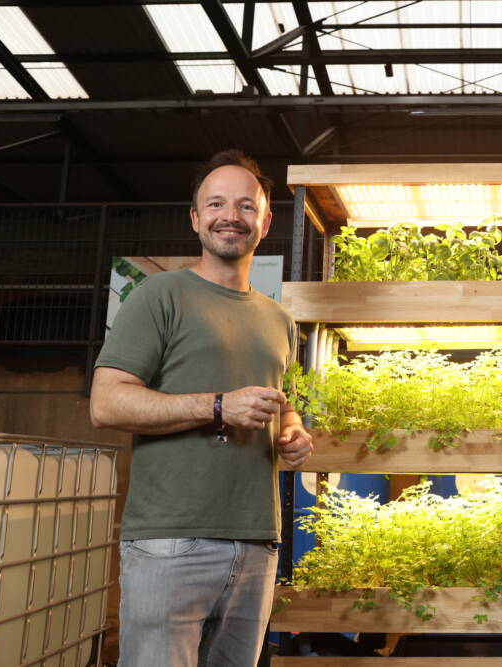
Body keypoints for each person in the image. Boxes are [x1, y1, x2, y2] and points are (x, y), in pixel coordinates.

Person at [90, 149, 313, 666]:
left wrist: (293, 433)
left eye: (245, 205)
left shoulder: (280, 320)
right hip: (171, 541)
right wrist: (218, 407)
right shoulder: (159, 296)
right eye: (215, 204)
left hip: (257, 542)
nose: (230, 216)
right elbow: (106, 402)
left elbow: (288, 405)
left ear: (265, 220)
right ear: (195, 218)